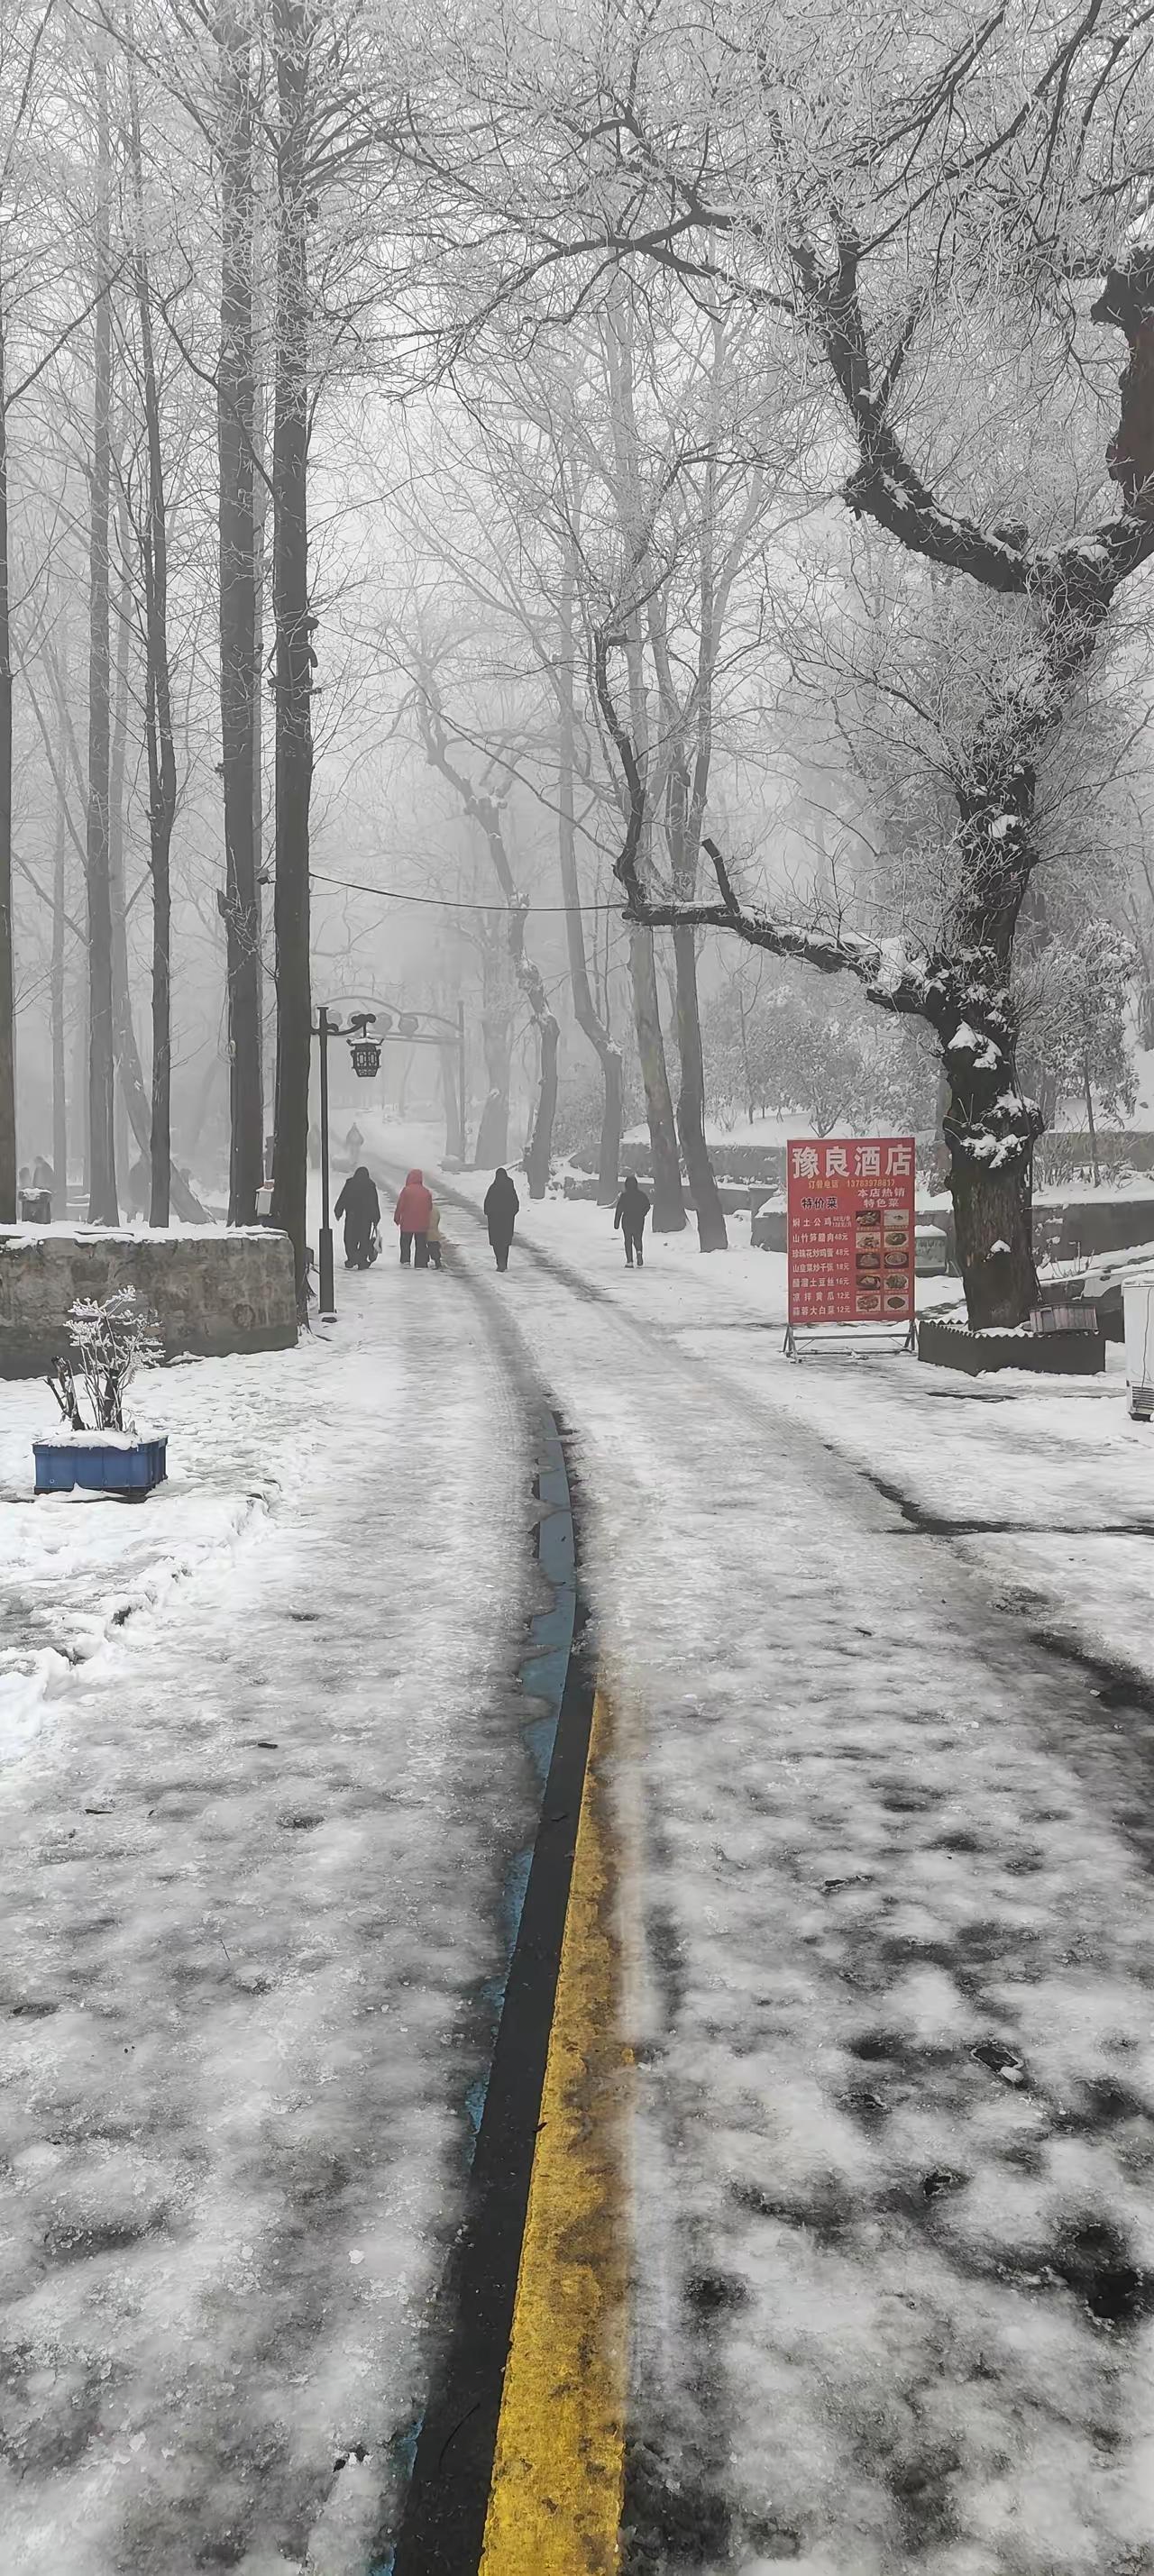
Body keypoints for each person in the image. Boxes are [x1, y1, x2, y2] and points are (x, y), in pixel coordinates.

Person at [334, 1165, 380, 1269]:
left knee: (350, 1238)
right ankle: (361, 1260)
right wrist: (376, 1217)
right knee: (363, 1239)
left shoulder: (350, 1183)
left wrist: (338, 1211)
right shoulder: (370, 1185)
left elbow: (343, 1198)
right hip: (366, 1219)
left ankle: (352, 1257)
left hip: (352, 1216)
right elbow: (374, 1202)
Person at [393, 1166, 433, 1267]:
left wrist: (397, 1218)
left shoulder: (406, 1191)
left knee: (405, 1242)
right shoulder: (426, 1192)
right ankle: (420, 1263)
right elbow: (430, 1207)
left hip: (407, 1223)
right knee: (420, 1244)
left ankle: (405, 1260)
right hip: (422, 1224)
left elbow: (400, 1206)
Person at [484, 1167, 519, 1272]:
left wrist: (490, 1213)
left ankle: (500, 1262)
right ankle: (504, 1262)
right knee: (505, 1243)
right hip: (507, 1221)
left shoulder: (493, 1188)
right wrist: (511, 1214)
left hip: (495, 1221)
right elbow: (515, 1204)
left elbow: (487, 1204)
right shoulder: (510, 1188)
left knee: (497, 1242)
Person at [614, 1172, 650, 1268]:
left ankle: (629, 1261)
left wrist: (616, 1223)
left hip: (627, 1220)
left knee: (628, 1240)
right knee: (638, 1238)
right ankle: (639, 1251)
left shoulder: (624, 1196)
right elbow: (647, 1206)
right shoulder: (641, 1195)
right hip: (639, 1220)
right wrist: (642, 1213)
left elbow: (619, 1209)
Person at [426, 1200, 444, 1271]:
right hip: (434, 1232)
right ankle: (437, 1262)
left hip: (426, 1231)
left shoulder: (423, 1208)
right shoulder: (434, 1208)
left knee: (425, 1248)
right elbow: (438, 1218)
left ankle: (425, 1262)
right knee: (435, 1248)